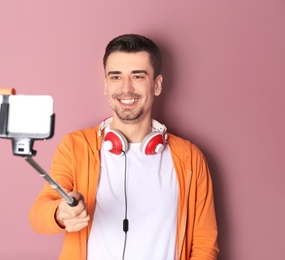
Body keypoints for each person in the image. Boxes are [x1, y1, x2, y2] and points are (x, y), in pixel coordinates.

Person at [29, 34, 219, 260]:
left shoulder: (190, 158)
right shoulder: (75, 146)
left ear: (157, 85)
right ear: (106, 85)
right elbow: (38, 215)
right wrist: (60, 213)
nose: (126, 88)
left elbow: (205, 244)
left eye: (138, 76)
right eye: (116, 77)